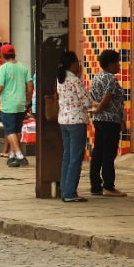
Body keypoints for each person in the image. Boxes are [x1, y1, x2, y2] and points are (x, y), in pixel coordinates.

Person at [88, 49, 127, 197]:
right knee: (108, 154)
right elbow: (107, 98)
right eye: (117, 62)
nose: (119, 65)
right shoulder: (111, 79)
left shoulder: (96, 77)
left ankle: (95, 185)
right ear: (110, 64)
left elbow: (91, 97)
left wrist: (96, 110)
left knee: (98, 151)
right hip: (110, 120)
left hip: (99, 120)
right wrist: (100, 109)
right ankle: (109, 186)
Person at [56, 51, 91, 202]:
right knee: (75, 157)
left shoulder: (60, 79)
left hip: (64, 120)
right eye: (77, 62)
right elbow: (87, 102)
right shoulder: (75, 80)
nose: (79, 64)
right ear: (72, 64)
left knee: (67, 157)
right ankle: (70, 192)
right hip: (76, 120)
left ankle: (65, 189)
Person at [0, 43, 33, 167]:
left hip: (9, 105)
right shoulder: (23, 68)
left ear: (2, 55)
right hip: (21, 104)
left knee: (9, 131)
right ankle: (12, 156)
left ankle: (19, 155)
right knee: (16, 130)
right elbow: (30, 86)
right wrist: (28, 101)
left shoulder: (2, 69)